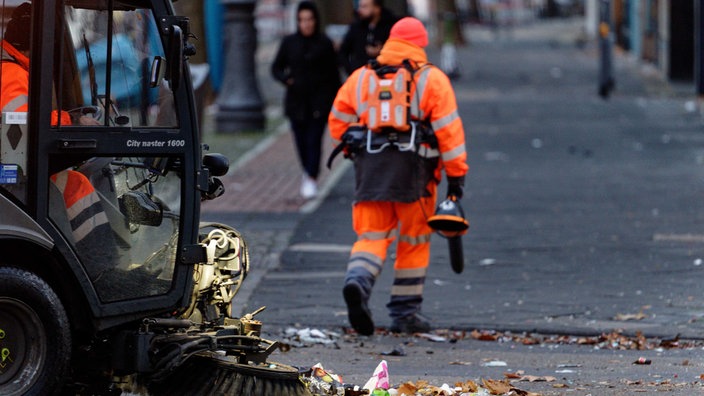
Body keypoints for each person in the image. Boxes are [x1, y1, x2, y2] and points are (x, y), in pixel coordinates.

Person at [328, 17, 469, 335]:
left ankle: (358, 283)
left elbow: (337, 122)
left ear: (391, 41)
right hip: (416, 177)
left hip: (371, 173)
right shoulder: (431, 79)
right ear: (420, 44)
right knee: (414, 241)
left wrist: (356, 144)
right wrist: (456, 179)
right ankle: (404, 313)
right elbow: (450, 134)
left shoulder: (362, 77)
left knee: (371, 238)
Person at [1, 3, 114, 282]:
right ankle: (101, 273)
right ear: (36, 44)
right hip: (13, 177)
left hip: (14, 169)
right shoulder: (11, 73)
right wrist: (73, 122)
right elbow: (23, 124)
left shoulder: (16, 67)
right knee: (76, 185)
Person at [271, 1, 341, 199]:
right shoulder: (289, 42)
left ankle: (311, 176)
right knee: (301, 142)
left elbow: (334, 75)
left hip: (319, 103)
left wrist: (335, 102)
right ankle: (307, 171)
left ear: (315, 20)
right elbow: (276, 67)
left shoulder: (325, 43)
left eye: (309, 19)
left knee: (314, 141)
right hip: (296, 103)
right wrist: (287, 79)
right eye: (302, 20)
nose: (306, 24)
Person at [338, 0, 398, 75]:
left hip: (386, 75)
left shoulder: (391, 26)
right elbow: (343, 52)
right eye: (360, 6)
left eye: (365, 6)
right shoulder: (356, 27)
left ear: (377, 8)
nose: (360, 10)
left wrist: (382, 50)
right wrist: (352, 71)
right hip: (362, 76)